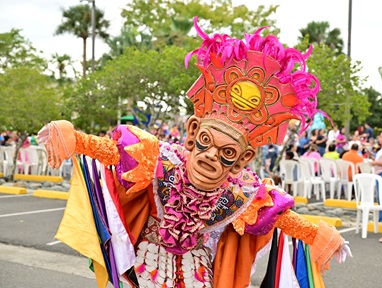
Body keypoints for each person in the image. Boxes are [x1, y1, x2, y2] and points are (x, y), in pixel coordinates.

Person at [37, 18, 351, 288]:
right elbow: (115, 154)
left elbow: (280, 218)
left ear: (243, 160)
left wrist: (316, 233)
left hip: (198, 272)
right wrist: (75, 139)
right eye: (205, 141)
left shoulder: (242, 193)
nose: (211, 156)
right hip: (147, 266)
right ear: (191, 133)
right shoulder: (159, 160)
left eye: (227, 152)